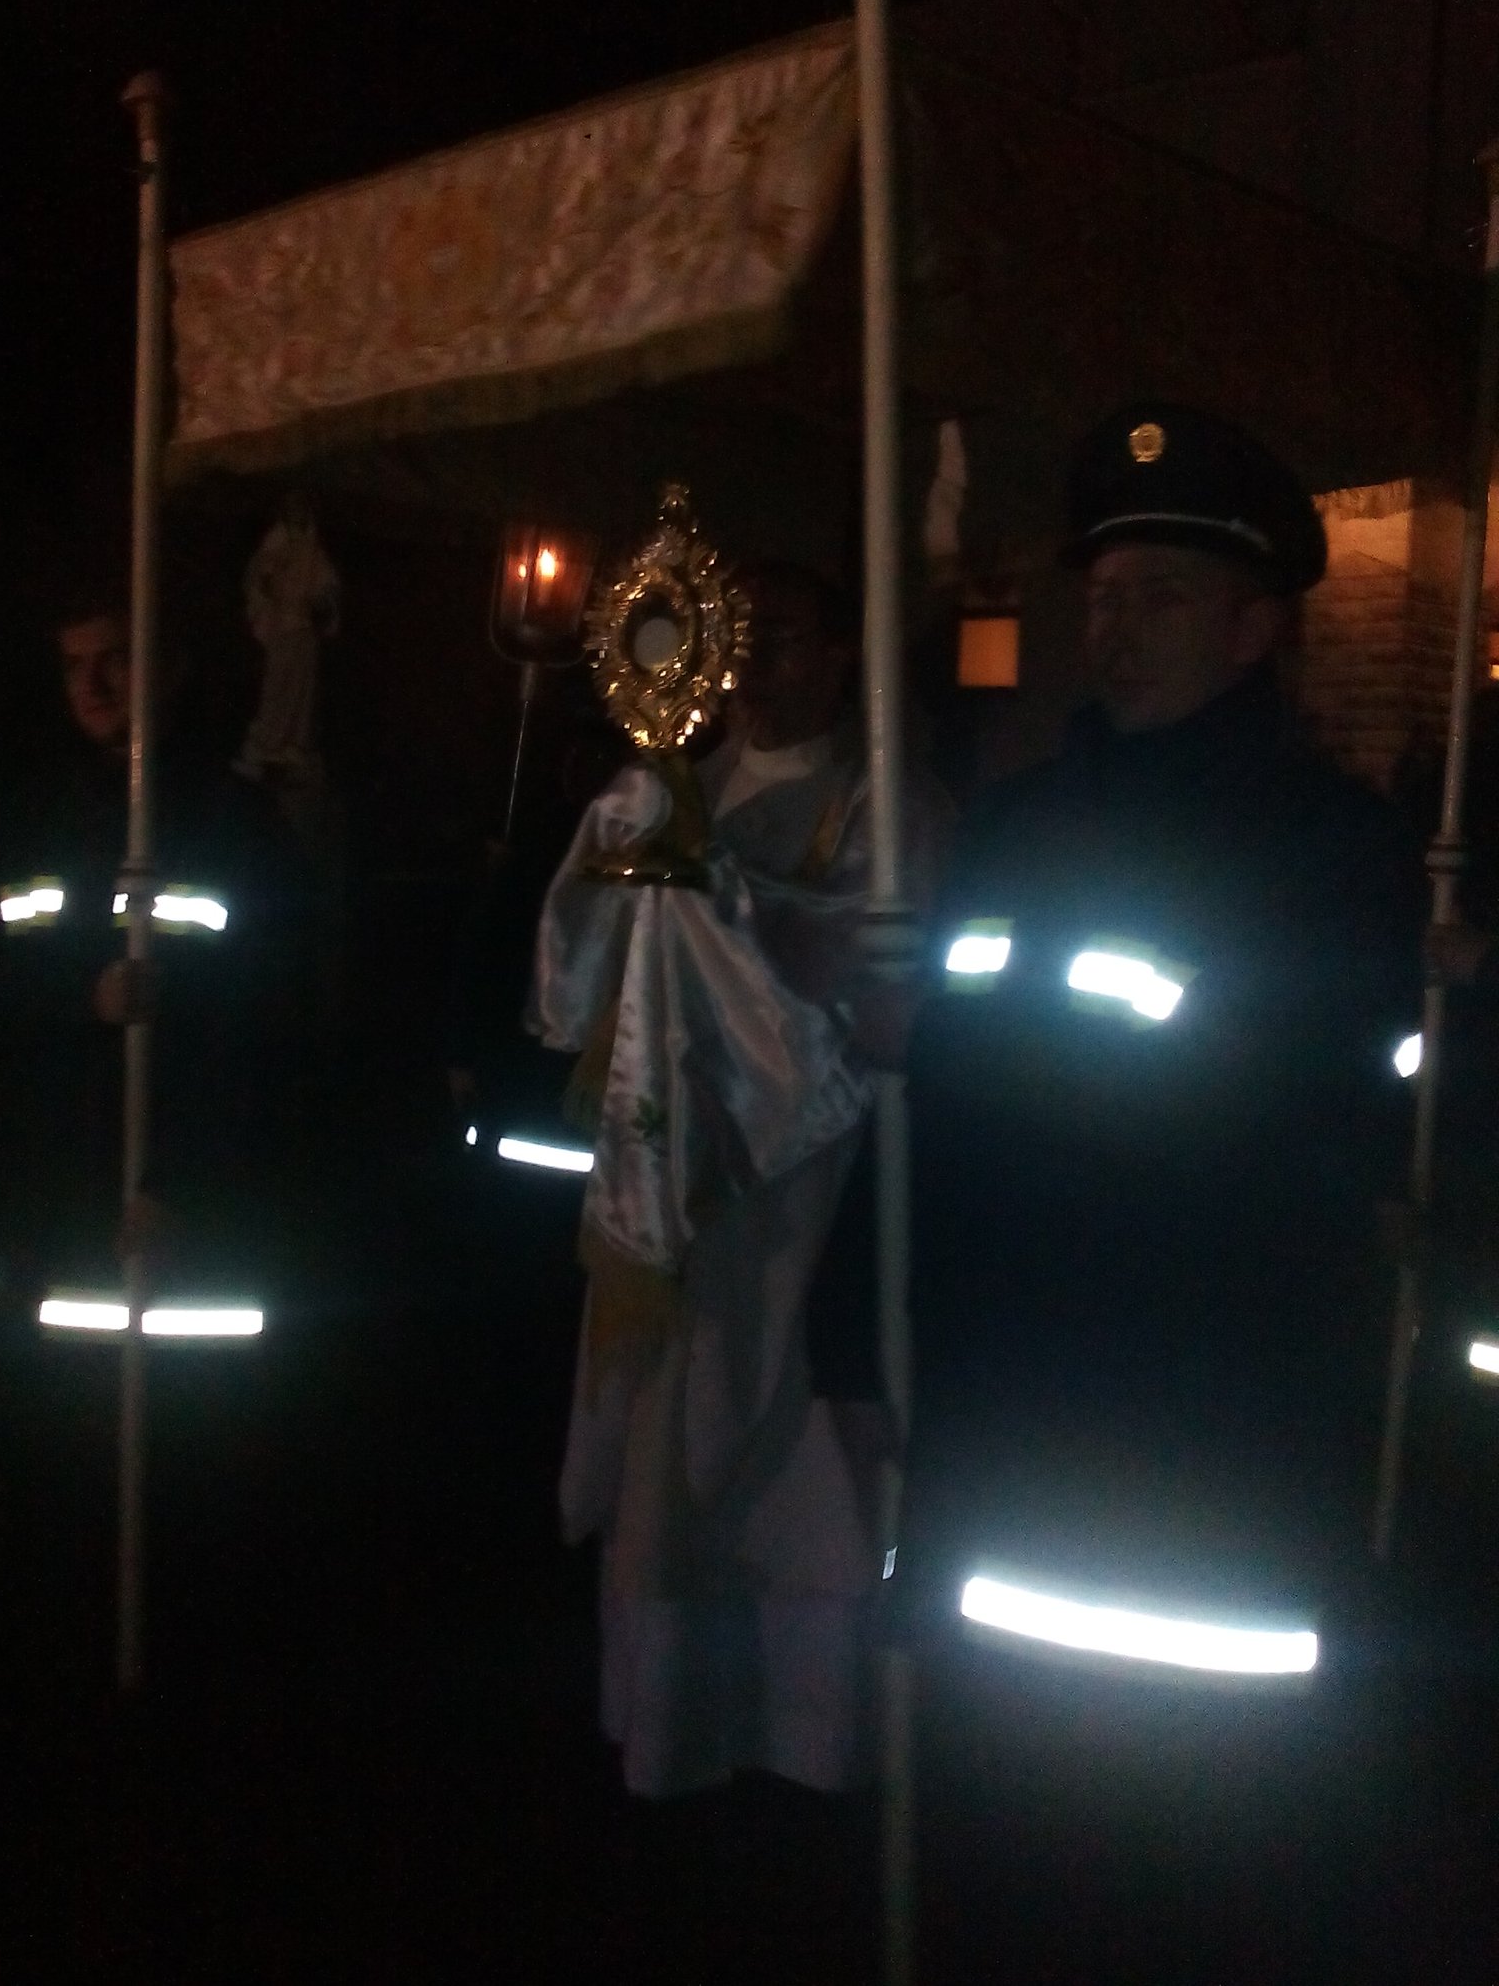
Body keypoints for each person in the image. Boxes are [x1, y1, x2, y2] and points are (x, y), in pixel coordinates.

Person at [901, 405, 1431, 1979]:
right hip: (1008, 1409)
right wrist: (870, 1340)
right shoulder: (1016, 824)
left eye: (1165, 597)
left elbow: (1285, 1120)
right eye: (1105, 594)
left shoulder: (1331, 853)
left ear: (1257, 626)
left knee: (1185, 1860)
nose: (1116, 627)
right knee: (998, 1835)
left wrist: (971, 1050)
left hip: (1200, 1428)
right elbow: (943, 1107)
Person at [530, 559, 947, 1799]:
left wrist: (732, 916)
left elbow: (875, 981)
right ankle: (663, 1721)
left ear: (844, 653)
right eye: (742, 640)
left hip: (803, 1182)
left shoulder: (888, 804)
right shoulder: (672, 791)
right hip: (671, 1170)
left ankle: (800, 1732)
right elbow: (584, 968)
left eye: (791, 640)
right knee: (663, 1460)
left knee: (782, 1449)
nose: (760, 669)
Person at [0, 574, 307, 1306]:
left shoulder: (235, 826)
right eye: (74, 664)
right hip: (41, 1178)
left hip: (177, 1196)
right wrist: (84, 998)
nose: (93, 686)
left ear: (170, 666)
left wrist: (180, 1181)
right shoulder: (28, 821)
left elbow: (267, 1019)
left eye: (116, 658)